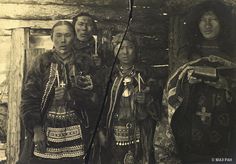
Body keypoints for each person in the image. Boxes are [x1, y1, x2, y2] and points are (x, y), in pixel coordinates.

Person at [166, 1, 236, 163]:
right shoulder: (188, 54)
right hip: (191, 125)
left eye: (213, 19)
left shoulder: (232, 54)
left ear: (223, 22)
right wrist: (185, 83)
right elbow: (171, 89)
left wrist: (226, 86)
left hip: (226, 127)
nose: (207, 25)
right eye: (202, 20)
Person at [21, 21, 96, 164]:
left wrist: (70, 96)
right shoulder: (42, 61)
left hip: (78, 131)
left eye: (67, 35)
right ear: (51, 37)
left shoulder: (84, 62)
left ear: (74, 37)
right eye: (58, 35)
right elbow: (29, 98)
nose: (63, 40)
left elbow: (94, 98)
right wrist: (36, 129)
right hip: (46, 130)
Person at [96, 32, 161, 164]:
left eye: (130, 47)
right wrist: (100, 131)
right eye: (120, 47)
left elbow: (160, 103)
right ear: (114, 51)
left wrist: (147, 100)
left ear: (136, 49)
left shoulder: (146, 73)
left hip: (141, 133)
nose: (125, 52)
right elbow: (99, 105)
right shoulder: (108, 75)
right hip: (113, 133)